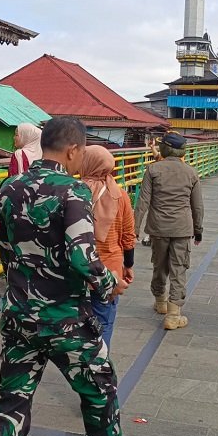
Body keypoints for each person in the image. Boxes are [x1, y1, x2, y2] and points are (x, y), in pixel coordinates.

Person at [0, 117, 129, 436]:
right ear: (73, 150)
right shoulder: (73, 190)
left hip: (20, 315)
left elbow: (4, 247)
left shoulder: (10, 187)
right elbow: (82, 257)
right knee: (100, 391)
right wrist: (110, 284)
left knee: (12, 400)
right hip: (66, 319)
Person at [134, 131, 203, 330]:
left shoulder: (153, 170)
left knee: (159, 265)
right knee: (179, 268)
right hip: (182, 228)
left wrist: (135, 228)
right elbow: (197, 206)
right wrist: (198, 229)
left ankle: (160, 301)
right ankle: (173, 314)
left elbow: (143, 202)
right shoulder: (191, 172)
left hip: (158, 228)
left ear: (163, 148)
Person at [80, 145, 136, 348]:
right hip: (110, 268)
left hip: (78, 266)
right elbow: (128, 236)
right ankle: (99, 361)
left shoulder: (74, 192)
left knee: (74, 321)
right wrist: (128, 265)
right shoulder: (119, 195)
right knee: (103, 320)